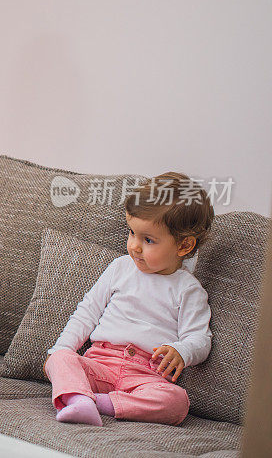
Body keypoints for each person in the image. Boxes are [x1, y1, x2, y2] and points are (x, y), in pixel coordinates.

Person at [43, 172, 214, 426]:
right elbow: (87, 312)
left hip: (146, 375)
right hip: (99, 362)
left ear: (184, 246)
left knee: (177, 402)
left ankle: (97, 403)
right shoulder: (120, 268)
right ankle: (80, 398)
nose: (134, 246)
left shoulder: (188, 289)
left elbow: (200, 339)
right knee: (59, 359)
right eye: (132, 233)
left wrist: (181, 350)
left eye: (148, 240)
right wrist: (62, 348)